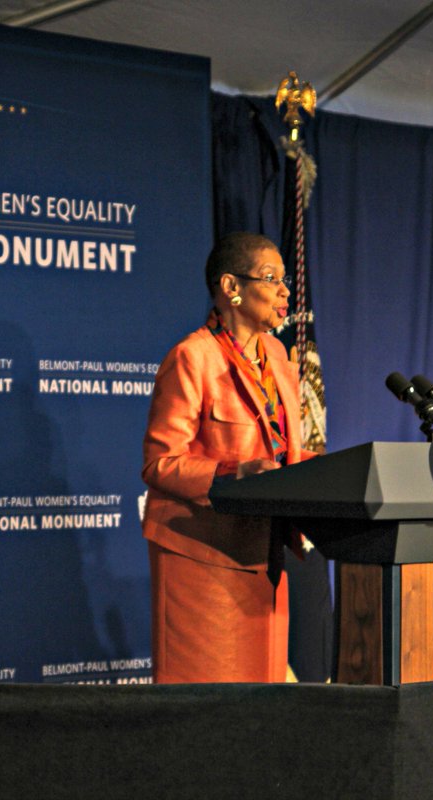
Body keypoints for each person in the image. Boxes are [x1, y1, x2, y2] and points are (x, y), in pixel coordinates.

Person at [141, 232, 317, 683]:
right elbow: (160, 463)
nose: (284, 292)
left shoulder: (277, 355)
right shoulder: (191, 358)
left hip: (264, 554)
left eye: (285, 280)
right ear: (231, 287)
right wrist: (234, 472)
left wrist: (320, 468)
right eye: (271, 278)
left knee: (263, 701)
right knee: (211, 707)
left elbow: (280, 445)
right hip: (202, 560)